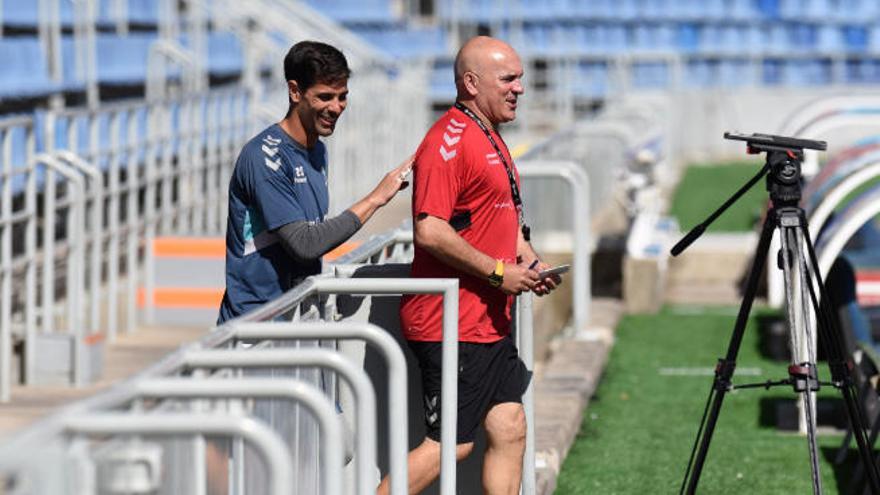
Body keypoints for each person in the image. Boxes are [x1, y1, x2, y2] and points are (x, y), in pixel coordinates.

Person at [380, 36, 561, 495]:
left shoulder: (488, 135)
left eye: (520, 78)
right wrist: (500, 274)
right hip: (450, 322)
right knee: (449, 447)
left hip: (485, 320)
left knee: (510, 425)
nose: (519, 88)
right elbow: (431, 230)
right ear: (471, 82)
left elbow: (502, 221)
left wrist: (529, 261)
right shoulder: (446, 141)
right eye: (509, 79)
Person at [217, 40, 412, 323]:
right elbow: (305, 243)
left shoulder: (317, 150)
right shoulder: (265, 156)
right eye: (325, 97)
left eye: (342, 96)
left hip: (296, 316)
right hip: (255, 327)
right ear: (295, 91)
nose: (336, 107)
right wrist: (375, 199)